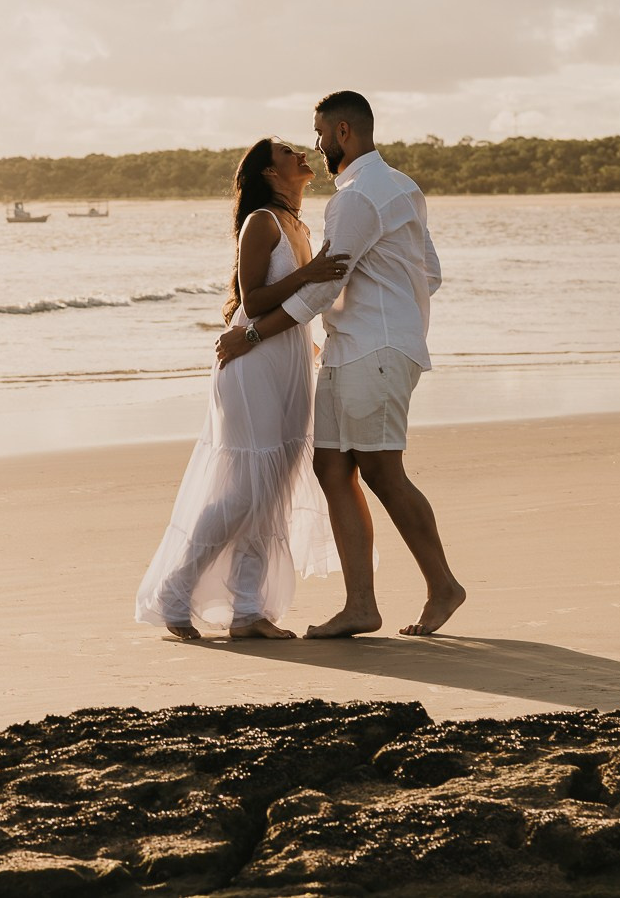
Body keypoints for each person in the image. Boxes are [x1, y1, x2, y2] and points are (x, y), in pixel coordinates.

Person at [214, 90, 464, 639]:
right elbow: (431, 273)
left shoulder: (355, 198)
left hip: (372, 350)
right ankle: (360, 606)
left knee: (382, 471)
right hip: (357, 347)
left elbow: (325, 288)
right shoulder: (402, 186)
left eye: (321, 133)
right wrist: (392, 299)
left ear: (343, 132)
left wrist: (253, 333)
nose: (317, 144)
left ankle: (442, 586)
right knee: (331, 469)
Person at [134, 138, 350, 640]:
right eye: (287, 152)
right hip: (252, 361)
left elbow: (298, 305)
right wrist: (310, 272)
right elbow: (252, 300)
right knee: (248, 487)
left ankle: (249, 610)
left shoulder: (299, 225)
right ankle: (174, 590)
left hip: (289, 359)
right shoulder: (262, 222)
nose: (301, 154)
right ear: (269, 172)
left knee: (272, 489)